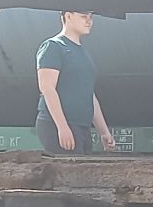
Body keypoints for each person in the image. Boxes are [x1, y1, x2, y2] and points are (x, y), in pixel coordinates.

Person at [34, 10, 115, 153]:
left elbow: (88, 93)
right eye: (83, 16)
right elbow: (47, 87)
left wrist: (103, 131)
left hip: (82, 126)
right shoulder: (53, 46)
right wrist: (62, 127)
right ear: (68, 16)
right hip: (57, 124)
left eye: (91, 17)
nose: (89, 21)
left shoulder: (82, 52)